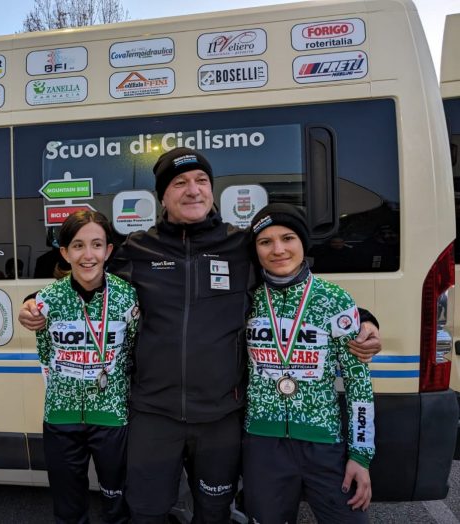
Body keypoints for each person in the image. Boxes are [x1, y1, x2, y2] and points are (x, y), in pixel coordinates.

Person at [19, 147, 381, 523]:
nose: (193, 190)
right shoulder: (138, 249)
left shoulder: (241, 246)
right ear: (163, 195)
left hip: (220, 416)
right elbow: (88, 279)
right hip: (153, 414)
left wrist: (364, 319)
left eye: (201, 181)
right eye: (180, 183)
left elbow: (292, 287)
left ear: (212, 190)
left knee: (213, 511)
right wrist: (34, 302)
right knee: (146, 510)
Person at [242, 203, 374, 523]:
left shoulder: (334, 299)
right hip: (263, 444)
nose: (278, 250)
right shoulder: (246, 299)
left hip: (324, 443)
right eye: (265, 242)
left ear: (302, 242)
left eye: (287, 238)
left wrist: (361, 456)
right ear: (256, 250)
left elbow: (359, 382)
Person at [35, 210, 139, 524]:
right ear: (64, 252)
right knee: (68, 507)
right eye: (78, 246)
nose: (88, 254)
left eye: (96, 245)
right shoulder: (47, 300)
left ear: (108, 250)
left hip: (111, 416)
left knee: (117, 502)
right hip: (61, 417)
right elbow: (45, 354)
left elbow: (133, 350)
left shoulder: (126, 297)